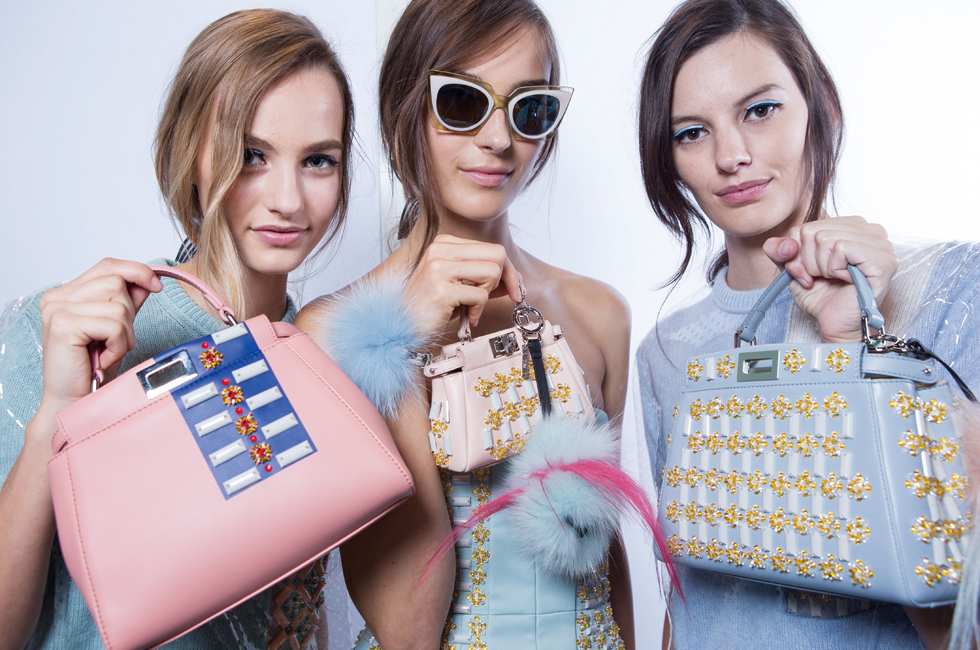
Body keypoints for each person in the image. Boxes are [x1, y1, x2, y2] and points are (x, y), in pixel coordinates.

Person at [0, 9, 354, 649]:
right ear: (189, 151)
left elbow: (295, 612)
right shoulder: (69, 332)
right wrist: (57, 412)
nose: (288, 200)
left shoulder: (324, 354)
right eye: (251, 155)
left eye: (319, 160)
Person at [634, 0, 980, 648]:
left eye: (760, 110)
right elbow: (687, 596)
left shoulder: (951, 287)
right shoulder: (666, 350)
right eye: (692, 132)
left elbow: (959, 621)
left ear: (822, 107)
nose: (731, 155)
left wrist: (852, 346)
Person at [295, 1, 638, 648]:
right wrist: (398, 338)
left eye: (530, 108)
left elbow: (604, 550)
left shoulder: (599, 314)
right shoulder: (330, 331)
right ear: (405, 108)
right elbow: (405, 629)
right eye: (461, 102)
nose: (499, 139)